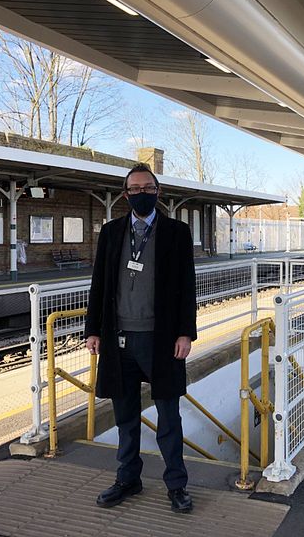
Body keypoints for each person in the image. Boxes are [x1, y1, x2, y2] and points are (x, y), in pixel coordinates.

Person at [85, 164, 197, 513]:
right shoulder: (111, 232)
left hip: (161, 341)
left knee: (169, 417)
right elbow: (99, 284)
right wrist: (92, 329)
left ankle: (176, 484)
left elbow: (186, 286)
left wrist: (185, 332)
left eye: (148, 187)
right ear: (125, 195)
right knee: (125, 416)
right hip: (119, 341)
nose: (141, 193)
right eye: (134, 189)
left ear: (158, 192)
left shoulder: (177, 232)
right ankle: (128, 479)